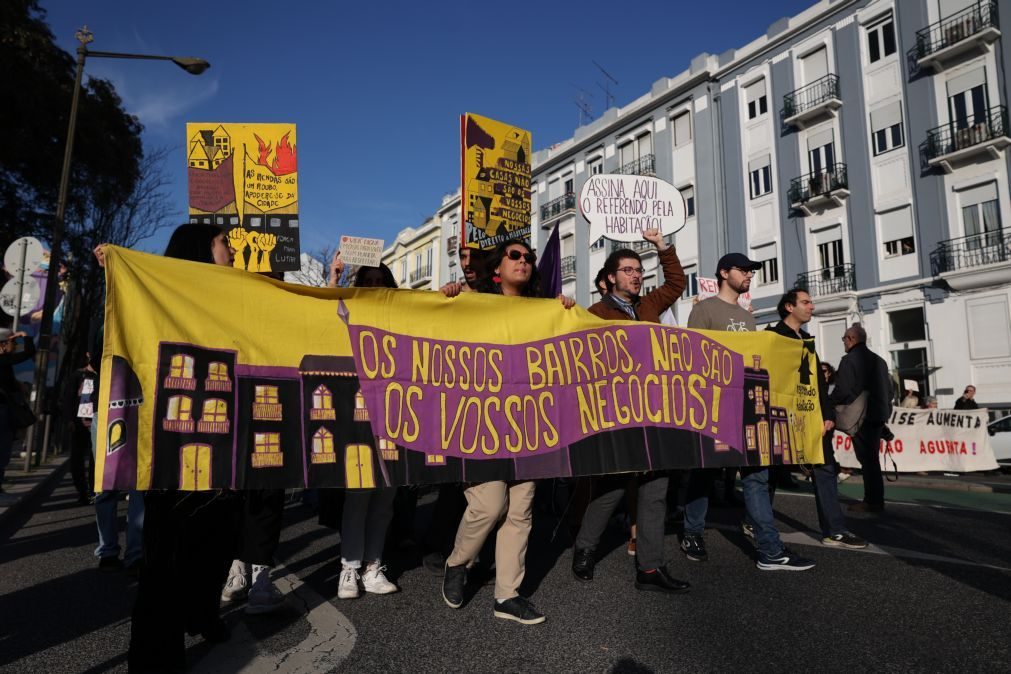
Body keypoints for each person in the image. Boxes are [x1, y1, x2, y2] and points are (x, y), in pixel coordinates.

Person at [125, 224, 241, 671]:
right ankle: (157, 659)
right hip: (173, 457)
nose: (230, 250)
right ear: (200, 250)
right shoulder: (163, 298)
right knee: (166, 569)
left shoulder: (234, 296)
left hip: (221, 453)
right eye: (223, 244)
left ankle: (203, 612)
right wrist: (119, 270)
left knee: (216, 545)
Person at [440, 239, 574, 625]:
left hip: (528, 423)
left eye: (529, 258)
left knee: (520, 510)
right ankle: (458, 562)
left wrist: (564, 313)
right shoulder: (471, 303)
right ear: (496, 268)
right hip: (481, 421)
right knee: (489, 503)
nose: (524, 261)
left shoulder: (542, 311)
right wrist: (448, 299)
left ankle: (507, 595)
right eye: (515, 255)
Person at [569, 229, 690, 594]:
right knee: (613, 488)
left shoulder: (650, 307)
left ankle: (649, 570)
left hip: (655, 411)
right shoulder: (595, 314)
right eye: (627, 270)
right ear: (609, 278)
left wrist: (661, 247)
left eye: (638, 270)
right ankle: (585, 549)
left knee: (655, 489)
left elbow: (677, 282)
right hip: (617, 416)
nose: (636, 275)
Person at [683, 253, 815, 571]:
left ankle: (769, 549)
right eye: (744, 270)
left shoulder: (748, 317)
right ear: (724, 273)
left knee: (756, 475)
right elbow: (694, 359)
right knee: (705, 472)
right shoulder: (703, 310)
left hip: (747, 407)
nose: (750, 275)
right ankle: (692, 532)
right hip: (715, 406)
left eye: (752, 271)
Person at [767, 290, 866, 549]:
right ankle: (755, 519)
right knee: (772, 470)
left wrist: (827, 416)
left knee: (825, 469)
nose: (812, 306)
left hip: (810, 417)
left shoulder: (807, 340)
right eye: (806, 302)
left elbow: (817, 385)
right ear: (789, 307)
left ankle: (835, 530)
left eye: (811, 302)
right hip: (780, 417)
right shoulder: (772, 337)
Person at [327, 255, 400, 599]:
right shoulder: (349, 311)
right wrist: (334, 281)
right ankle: (349, 568)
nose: (373, 287)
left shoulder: (402, 316)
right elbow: (325, 319)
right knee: (357, 495)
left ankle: (374, 566)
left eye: (379, 281)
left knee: (385, 496)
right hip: (357, 413)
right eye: (366, 282)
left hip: (395, 415)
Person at [830, 323, 893, 513]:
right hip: (878, 415)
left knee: (867, 460)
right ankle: (875, 499)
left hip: (861, 417)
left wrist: (827, 402)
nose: (843, 342)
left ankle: (872, 501)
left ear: (851, 339)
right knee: (871, 459)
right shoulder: (880, 361)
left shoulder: (849, 360)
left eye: (844, 339)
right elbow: (890, 390)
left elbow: (843, 390)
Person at [0, 328, 36, 490]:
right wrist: (25, 337)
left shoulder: (4, 363)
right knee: (3, 447)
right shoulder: (2, 360)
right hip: (2, 410)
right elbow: (28, 353)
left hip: (4, 409)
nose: (15, 346)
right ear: (2, 345)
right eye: (13, 343)